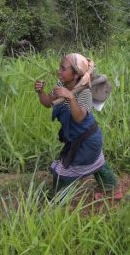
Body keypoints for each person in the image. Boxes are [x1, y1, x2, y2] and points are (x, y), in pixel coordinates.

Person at [34, 53, 122, 201]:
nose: (59, 71)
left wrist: (70, 97)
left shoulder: (85, 93)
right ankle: (112, 188)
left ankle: (58, 199)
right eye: (60, 68)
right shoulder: (62, 85)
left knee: (64, 171)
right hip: (78, 138)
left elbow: (79, 117)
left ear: (75, 75)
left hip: (87, 140)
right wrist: (40, 92)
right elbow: (48, 102)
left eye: (63, 69)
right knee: (96, 163)